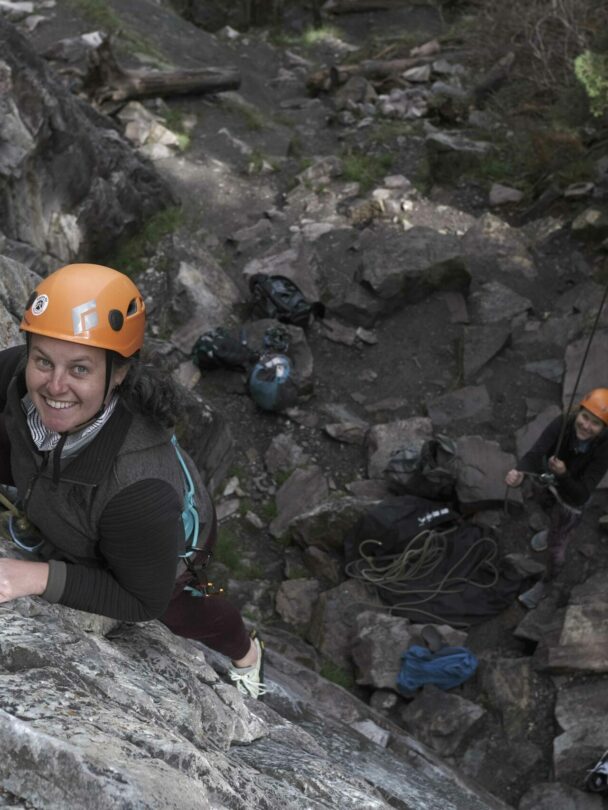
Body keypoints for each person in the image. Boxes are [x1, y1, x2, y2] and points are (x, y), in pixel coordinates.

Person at [0, 263, 265, 699]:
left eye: (80, 369)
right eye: (42, 360)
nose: (55, 384)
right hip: (54, 488)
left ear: (118, 373)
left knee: (181, 613)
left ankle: (247, 652)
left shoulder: (138, 489)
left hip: (157, 545)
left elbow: (143, 601)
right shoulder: (20, 379)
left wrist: (32, 577)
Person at [505, 389, 608, 608]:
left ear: (603, 429)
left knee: (556, 549)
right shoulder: (564, 423)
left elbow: (581, 494)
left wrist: (563, 474)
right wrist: (520, 471)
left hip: (572, 501)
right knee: (546, 510)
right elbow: (537, 451)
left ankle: (546, 582)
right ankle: (550, 530)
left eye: (595, 423)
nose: (586, 426)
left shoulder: (604, 448)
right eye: (585, 417)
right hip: (551, 486)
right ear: (578, 412)